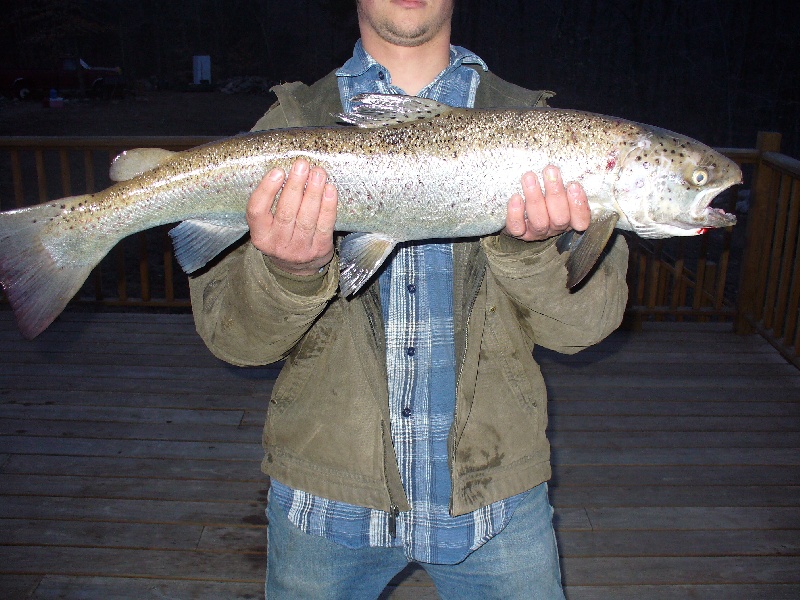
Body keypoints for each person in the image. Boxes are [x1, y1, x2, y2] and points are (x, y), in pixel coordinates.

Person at [190, 1, 629, 598]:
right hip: (324, 502)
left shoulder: (547, 137)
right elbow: (232, 339)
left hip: (496, 501)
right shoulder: (288, 124)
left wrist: (531, 253)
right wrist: (288, 274)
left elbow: (585, 327)